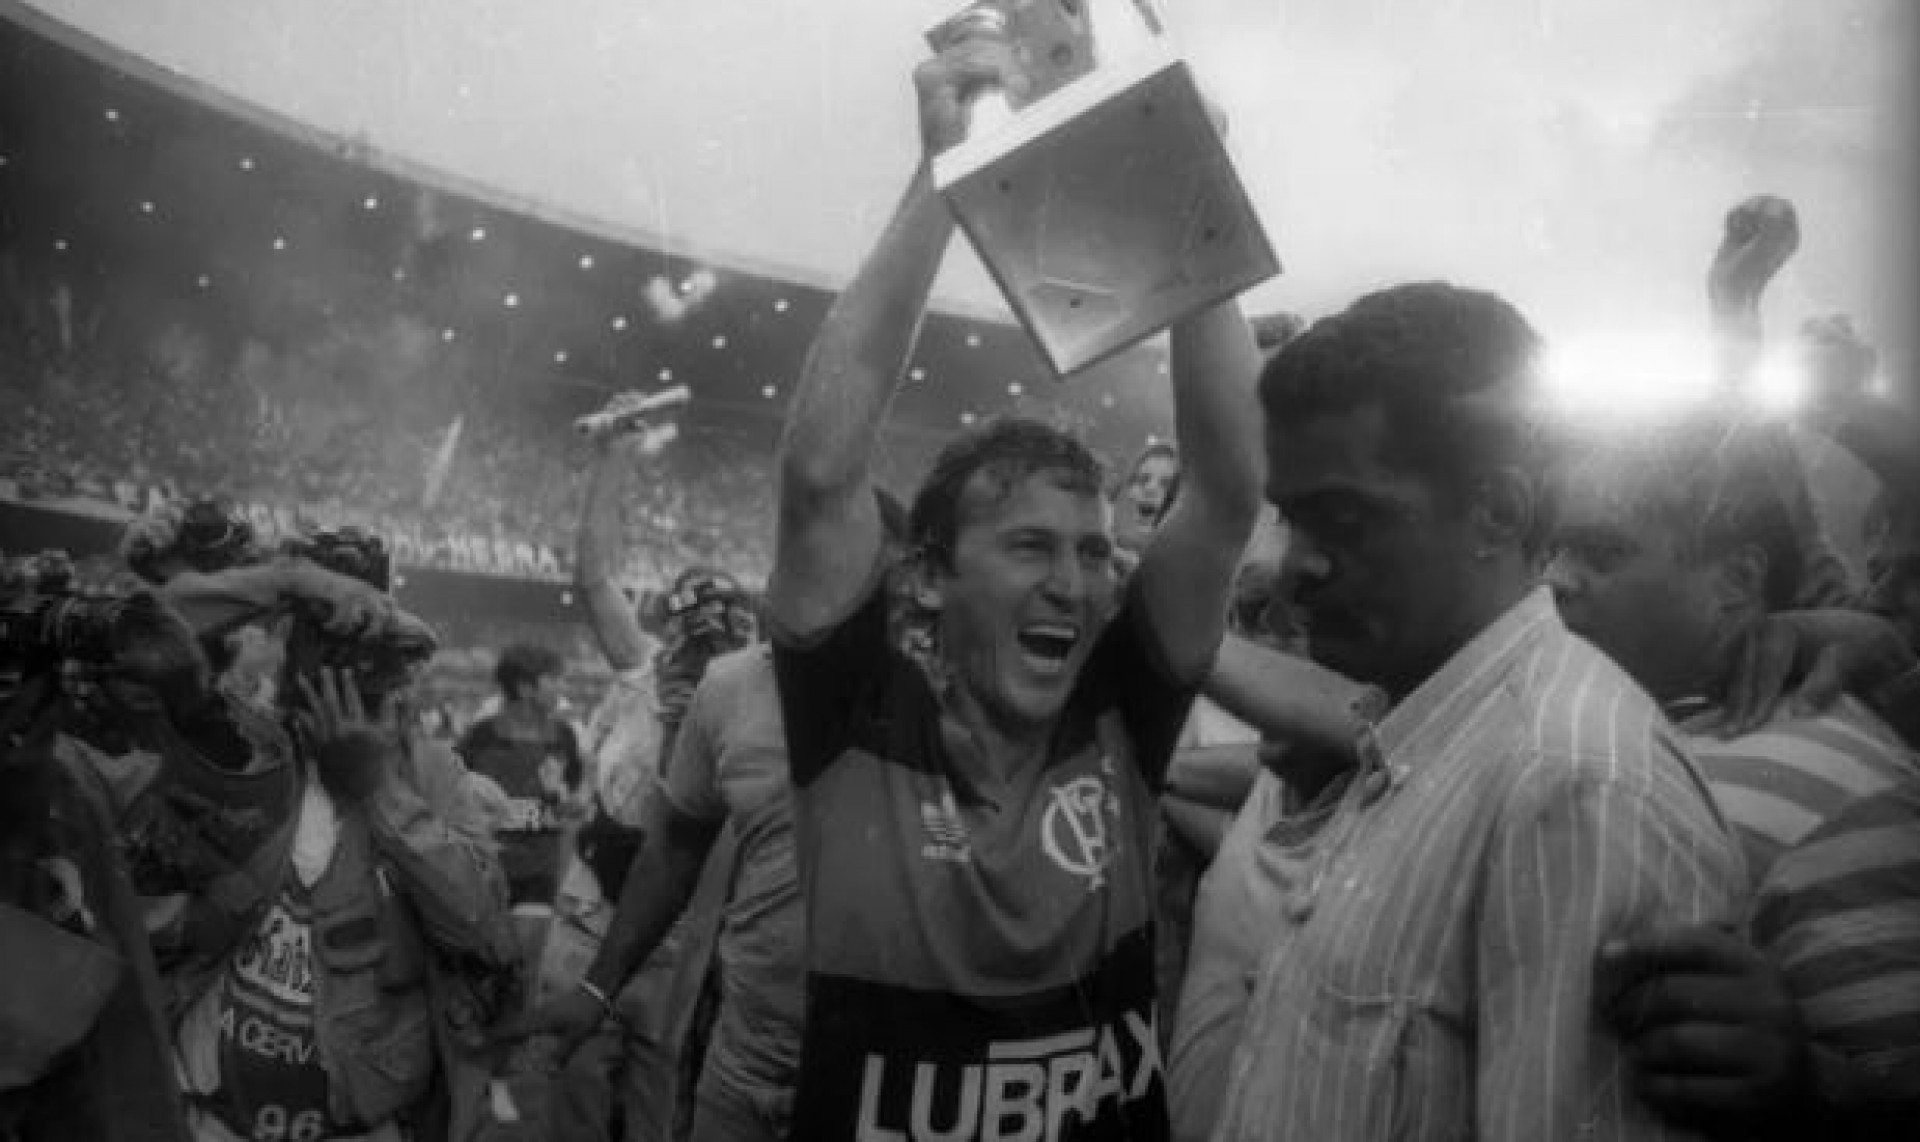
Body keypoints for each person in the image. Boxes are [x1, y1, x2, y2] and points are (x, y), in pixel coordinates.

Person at [764, 36, 1264, 1141]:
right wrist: (941, 172)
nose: (1077, 583)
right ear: (931, 577)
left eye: (1092, 551)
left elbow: (1226, 492)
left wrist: (1192, 193)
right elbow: (817, 476)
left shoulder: (1122, 706)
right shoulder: (855, 718)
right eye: (1032, 545)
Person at [1209, 282, 1747, 1141]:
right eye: (1292, 518)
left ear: (1496, 512)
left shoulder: (1577, 785)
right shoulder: (1420, 733)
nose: (1294, 567)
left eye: (1344, 519)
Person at [1549, 410, 1920, 1137]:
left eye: (1599, 550)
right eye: (1552, 548)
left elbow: (1894, 1078)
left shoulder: (1827, 782)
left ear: (1737, 580)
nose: (1554, 580)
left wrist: (1807, 1090)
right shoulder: (1619, 734)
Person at [512, 490, 909, 1142]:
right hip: (700, 997)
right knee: (592, 1110)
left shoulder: (938, 689)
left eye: (727, 608)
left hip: (864, 1038)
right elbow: (675, 845)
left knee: (652, 1106)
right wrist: (595, 989)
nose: (711, 626)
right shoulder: (721, 688)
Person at [93, 550, 514, 1142]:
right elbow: (123, 634)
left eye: (370, 669)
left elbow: (481, 925)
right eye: (322, 641)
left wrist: (375, 788)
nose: (345, 684)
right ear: (291, 650)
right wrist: (285, 582)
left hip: (356, 1127)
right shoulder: (242, 742)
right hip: (208, 1121)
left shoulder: (432, 773)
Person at [456, 643, 587, 910]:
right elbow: (455, 796)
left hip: (540, 872)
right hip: (487, 867)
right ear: (526, 688)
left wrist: (564, 800)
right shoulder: (480, 738)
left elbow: (569, 802)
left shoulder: (565, 736)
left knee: (529, 945)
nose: (564, 687)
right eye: (555, 679)